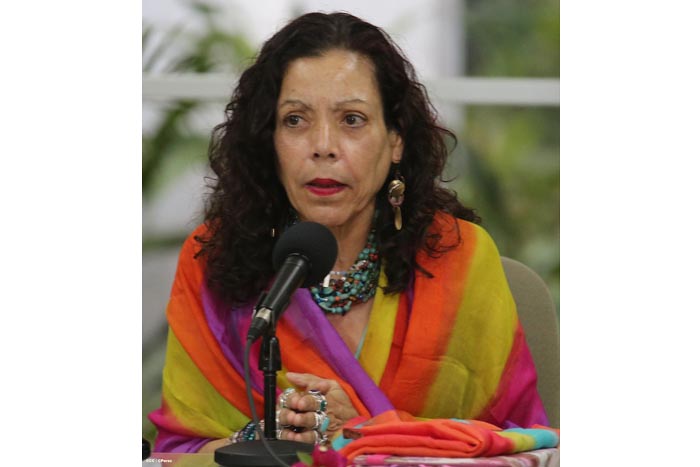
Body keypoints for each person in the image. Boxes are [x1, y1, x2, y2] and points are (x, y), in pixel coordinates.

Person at [148, 11, 548, 454]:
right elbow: (178, 452)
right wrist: (266, 439)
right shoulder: (214, 261)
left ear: (395, 139)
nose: (323, 146)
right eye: (295, 120)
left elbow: (524, 443)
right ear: (269, 140)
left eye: (352, 120)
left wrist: (361, 430)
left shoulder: (459, 258)